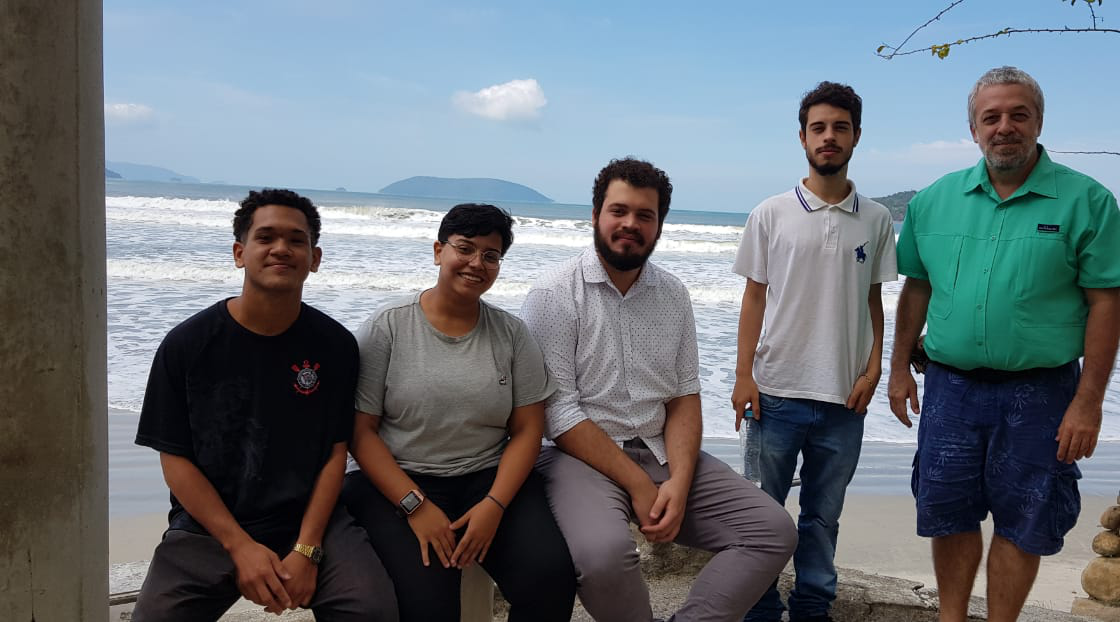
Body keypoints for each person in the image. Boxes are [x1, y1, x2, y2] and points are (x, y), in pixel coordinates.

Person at [887, 66, 1120, 622]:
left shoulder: (1087, 201)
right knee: (948, 513)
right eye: (991, 117)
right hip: (950, 389)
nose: (1005, 127)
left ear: (1039, 122)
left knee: (1025, 519)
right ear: (973, 129)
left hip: (1043, 393)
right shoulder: (934, 200)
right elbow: (916, 289)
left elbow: (1105, 303)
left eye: (1018, 115)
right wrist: (898, 367)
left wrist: (1088, 401)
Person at [520, 157, 797, 622]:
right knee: (604, 556)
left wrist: (679, 483)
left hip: (659, 449)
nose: (631, 224)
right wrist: (638, 485)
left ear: (660, 225)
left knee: (771, 530)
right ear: (595, 215)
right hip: (579, 458)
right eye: (619, 211)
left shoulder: (672, 294)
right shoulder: (553, 293)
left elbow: (684, 396)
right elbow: (558, 412)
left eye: (645, 216)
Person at [131, 188, 396, 621]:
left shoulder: (334, 346)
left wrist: (307, 550)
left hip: (309, 520)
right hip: (208, 527)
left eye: (296, 240)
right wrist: (239, 546)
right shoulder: (188, 344)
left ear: (315, 258)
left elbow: (335, 452)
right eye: (266, 237)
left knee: (371, 609)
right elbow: (175, 459)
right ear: (240, 253)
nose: (281, 249)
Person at [341, 203, 576, 622]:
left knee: (551, 579)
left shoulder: (511, 334)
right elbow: (361, 433)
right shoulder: (389, 326)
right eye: (465, 248)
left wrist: (494, 505)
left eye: (491, 255)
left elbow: (527, 430)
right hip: (400, 481)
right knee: (429, 603)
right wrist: (415, 506)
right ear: (438, 251)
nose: (476, 264)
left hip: (487, 477)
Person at [733, 81, 900, 622]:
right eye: (819, 127)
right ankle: (760, 608)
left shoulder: (875, 219)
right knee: (761, 514)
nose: (829, 137)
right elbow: (754, 297)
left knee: (824, 516)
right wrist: (743, 375)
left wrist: (874, 368)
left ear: (856, 137)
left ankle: (812, 608)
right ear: (802, 137)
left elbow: (873, 299)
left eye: (840, 127)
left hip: (843, 397)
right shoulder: (771, 213)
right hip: (776, 391)